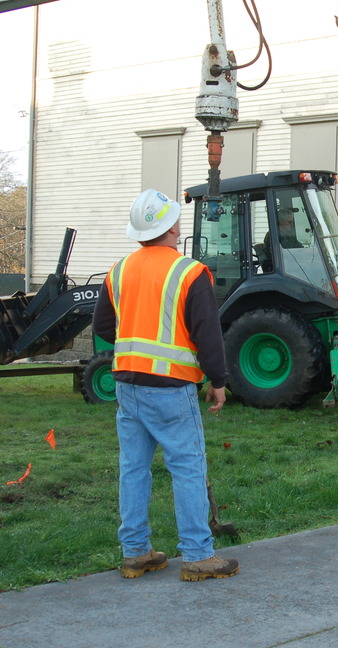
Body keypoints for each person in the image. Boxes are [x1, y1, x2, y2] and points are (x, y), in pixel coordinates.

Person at [92, 189, 239, 582]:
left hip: (126, 384)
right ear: (173, 226)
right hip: (171, 388)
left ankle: (136, 552)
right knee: (188, 467)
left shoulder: (119, 270)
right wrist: (218, 381)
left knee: (134, 468)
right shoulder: (190, 272)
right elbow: (208, 334)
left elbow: (104, 328)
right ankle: (197, 555)